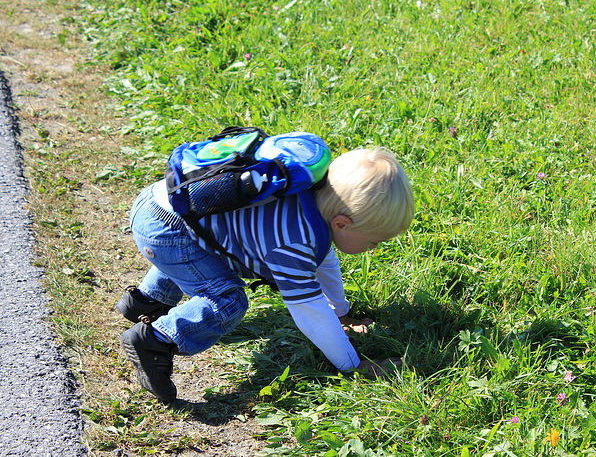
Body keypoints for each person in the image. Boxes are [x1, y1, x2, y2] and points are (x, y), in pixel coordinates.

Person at [118, 146, 415, 403]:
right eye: (374, 241)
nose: (373, 249)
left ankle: (146, 302)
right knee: (228, 299)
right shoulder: (295, 242)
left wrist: (341, 313)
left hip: (161, 202)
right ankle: (156, 340)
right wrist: (354, 365)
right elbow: (310, 312)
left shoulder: (310, 196)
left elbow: (325, 262)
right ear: (341, 224)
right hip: (167, 231)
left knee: (196, 252)